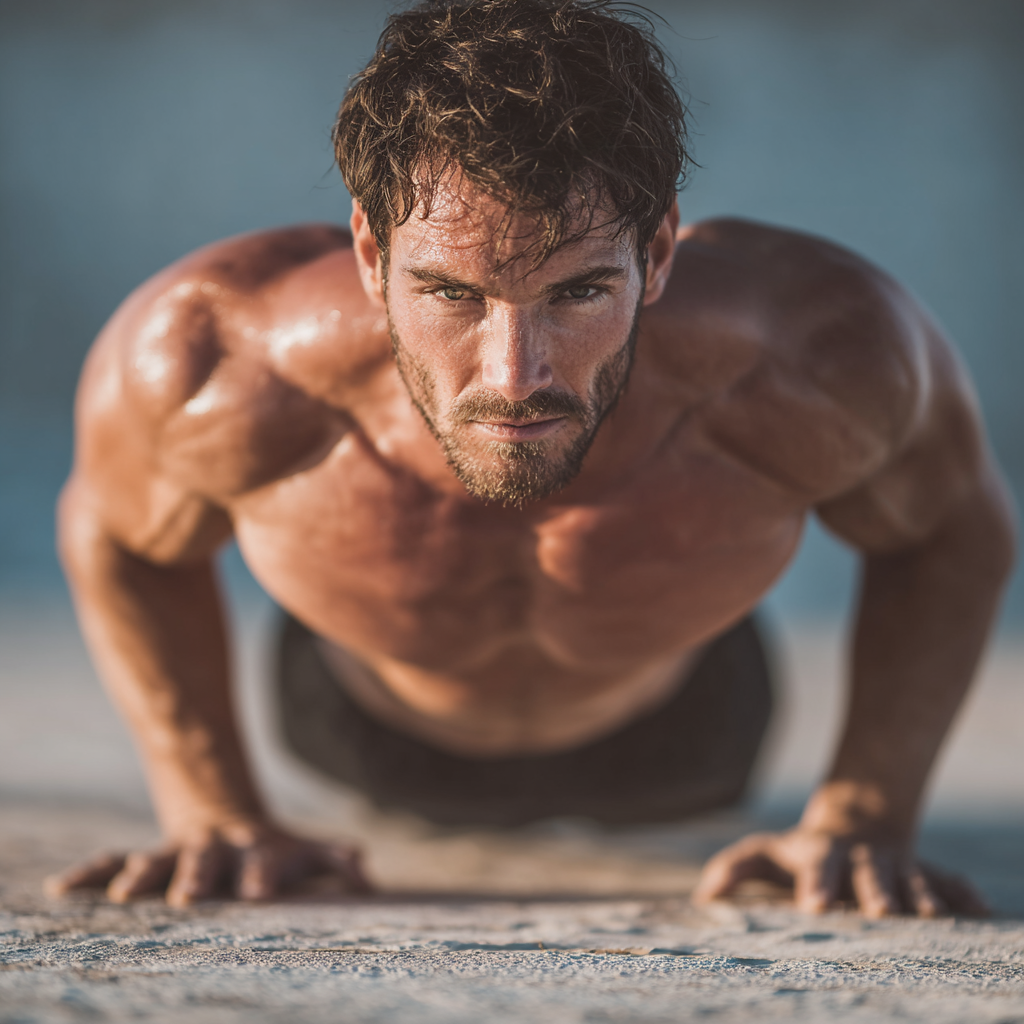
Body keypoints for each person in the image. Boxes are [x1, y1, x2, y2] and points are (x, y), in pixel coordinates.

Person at [46, 0, 1014, 917]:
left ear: (660, 251)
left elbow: (948, 527)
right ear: (371, 253)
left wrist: (861, 812)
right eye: (452, 294)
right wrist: (209, 805)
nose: (516, 375)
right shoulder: (219, 356)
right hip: (362, 727)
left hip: (687, 730)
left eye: (581, 292)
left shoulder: (814, 351)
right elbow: (120, 530)